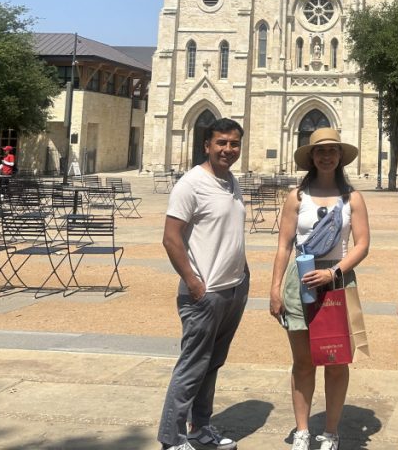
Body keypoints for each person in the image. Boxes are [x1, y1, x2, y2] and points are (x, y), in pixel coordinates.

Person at [269, 128, 371, 450]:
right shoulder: (296, 197)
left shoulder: (352, 198)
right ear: (311, 157)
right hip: (299, 282)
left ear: (340, 156)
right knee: (303, 362)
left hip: (338, 282)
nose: (326, 156)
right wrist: (274, 289)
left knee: (337, 361)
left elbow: (363, 245)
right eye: (320, 151)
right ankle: (302, 430)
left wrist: (332, 272)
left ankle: (330, 431)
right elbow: (284, 245)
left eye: (332, 151)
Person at [157, 117, 249, 450]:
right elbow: (170, 238)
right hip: (205, 293)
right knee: (192, 366)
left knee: (212, 364)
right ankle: (172, 437)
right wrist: (194, 283)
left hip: (233, 288)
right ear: (206, 145)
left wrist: (242, 274)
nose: (228, 149)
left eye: (234, 143)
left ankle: (200, 428)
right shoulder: (191, 183)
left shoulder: (231, 181)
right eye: (221, 143)